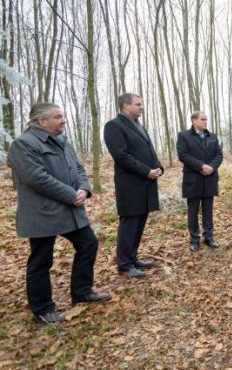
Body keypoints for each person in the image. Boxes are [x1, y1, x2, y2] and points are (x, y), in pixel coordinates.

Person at [8, 103, 111, 324]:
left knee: (88, 244)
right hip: (43, 212)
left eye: (62, 116)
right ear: (41, 121)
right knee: (41, 260)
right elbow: (36, 177)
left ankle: (82, 291)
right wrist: (71, 194)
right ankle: (43, 308)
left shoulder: (63, 141)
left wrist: (84, 189)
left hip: (71, 209)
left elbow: (79, 168)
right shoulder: (23, 144)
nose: (63, 120)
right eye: (58, 117)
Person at [104, 93, 164, 278]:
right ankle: (124, 264)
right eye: (138, 104)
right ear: (125, 106)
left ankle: (133, 258)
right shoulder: (114, 126)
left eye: (141, 104)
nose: (141, 107)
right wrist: (146, 171)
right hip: (130, 185)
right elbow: (121, 156)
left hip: (145, 184)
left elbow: (148, 149)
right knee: (129, 224)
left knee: (140, 223)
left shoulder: (138, 125)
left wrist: (158, 166)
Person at [176, 111, 224, 252]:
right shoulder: (184, 136)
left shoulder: (212, 136)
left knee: (208, 210)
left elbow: (219, 155)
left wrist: (211, 167)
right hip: (193, 179)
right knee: (193, 211)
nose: (205, 122)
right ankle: (194, 240)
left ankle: (209, 237)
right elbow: (183, 155)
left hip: (210, 178)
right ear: (193, 120)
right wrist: (201, 166)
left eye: (206, 119)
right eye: (203, 119)